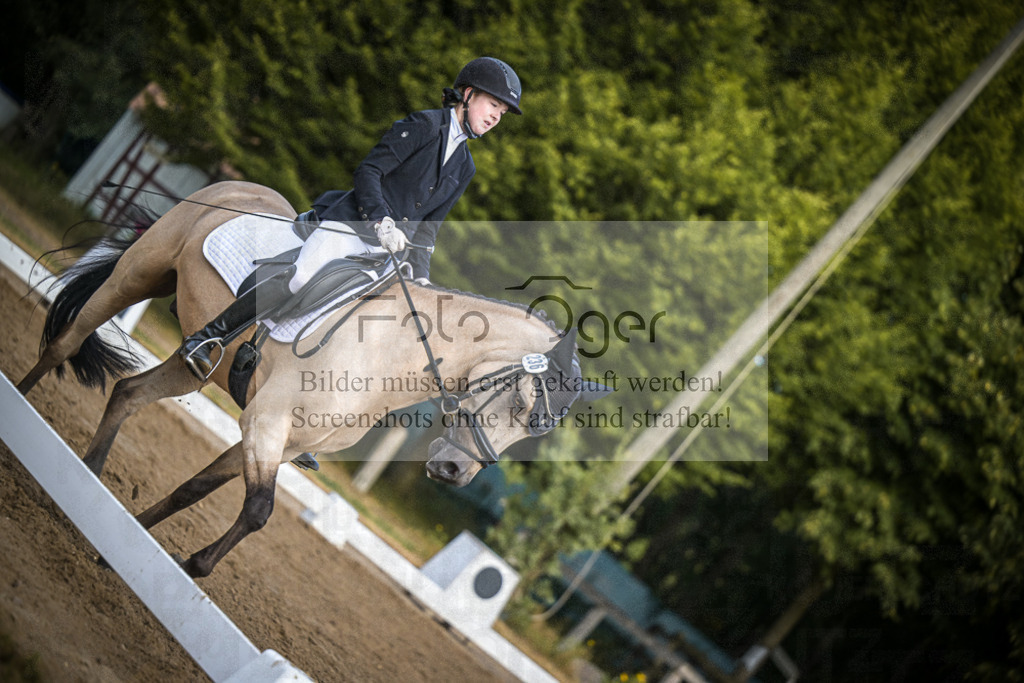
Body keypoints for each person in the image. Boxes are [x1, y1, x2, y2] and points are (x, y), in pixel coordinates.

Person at [179, 57, 523, 381]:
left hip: (388, 254)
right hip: (352, 225)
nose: (496, 117)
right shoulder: (422, 125)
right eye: (493, 105)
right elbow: (369, 171)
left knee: (375, 326)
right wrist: (380, 220)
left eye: (502, 112)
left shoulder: (466, 167)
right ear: (467, 94)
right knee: (300, 279)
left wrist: (422, 278)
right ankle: (209, 337)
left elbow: (428, 229)